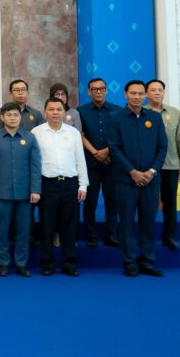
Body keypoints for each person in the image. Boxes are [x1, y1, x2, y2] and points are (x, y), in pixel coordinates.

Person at [109, 80, 167, 277]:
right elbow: (114, 148)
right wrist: (132, 171)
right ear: (125, 94)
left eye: (141, 93)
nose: (137, 97)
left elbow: (162, 148)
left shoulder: (155, 118)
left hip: (151, 181)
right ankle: (129, 262)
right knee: (126, 222)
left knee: (148, 222)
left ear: (145, 95)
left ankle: (147, 261)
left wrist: (152, 171)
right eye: (133, 93)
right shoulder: (115, 118)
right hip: (126, 181)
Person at [31, 98, 88, 276]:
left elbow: (80, 159)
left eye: (59, 109)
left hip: (70, 184)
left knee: (70, 226)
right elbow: (33, 163)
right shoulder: (36, 132)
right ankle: (47, 263)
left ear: (64, 112)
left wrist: (83, 185)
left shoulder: (73, 133)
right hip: (47, 184)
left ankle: (69, 263)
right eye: (51, 109)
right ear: (45, 112)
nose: (55, 112)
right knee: (46, 226)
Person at [0, 102, 41, 277]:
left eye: (16, 115)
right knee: (2, 230)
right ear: (2, 117)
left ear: (20, 117)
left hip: (25, 192)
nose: (12, 118)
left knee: (23, 230)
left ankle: (21, 263)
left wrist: (35, 189)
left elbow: (35, 166)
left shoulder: (30, 138)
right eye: (9, 115)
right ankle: (3, 263)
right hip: (2, 192)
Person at [145, 79, 180, 250]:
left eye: (160, 90)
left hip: (170, 166)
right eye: (153, 90)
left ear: (163, 92)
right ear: (147, 93)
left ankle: (169, 237)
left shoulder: (174, 113)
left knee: (170, 203)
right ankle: (146, 238)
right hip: (147, 167)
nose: (157, 93)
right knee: (148, 204)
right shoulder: (141, 112)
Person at [77, 77, 120, 247]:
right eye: (94, 89)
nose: (98, 92)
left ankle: (111, 234)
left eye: (101, 88)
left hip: (112, 162)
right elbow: (79, 135)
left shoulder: (118, 111)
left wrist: (106, 151)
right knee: (90, 201)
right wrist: (95, 152)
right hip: (90, 162)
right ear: (89, 92)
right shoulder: (81, 111)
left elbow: (121, 135)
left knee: (112, 200)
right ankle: (91, 234)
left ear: (106, 90)